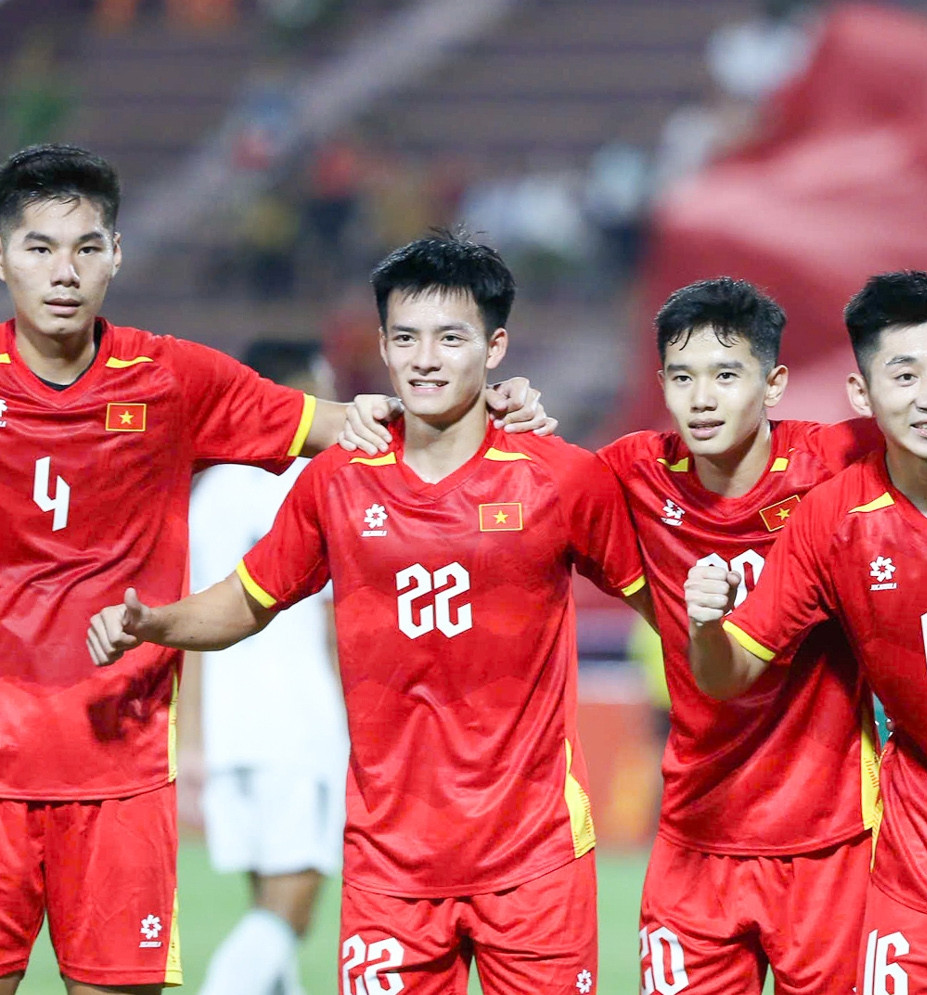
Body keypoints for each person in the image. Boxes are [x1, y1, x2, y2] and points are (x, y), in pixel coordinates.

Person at [0, 145, 544, 995]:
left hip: (120, 773)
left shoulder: (171, 378)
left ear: (116, 256)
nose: (63, 271)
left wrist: (487, 405)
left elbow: (346, 424)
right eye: (39, 247)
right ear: (4, 256)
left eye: (86, 247)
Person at [84, 233, 642, 995]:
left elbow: (663, 603)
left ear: (496, 347)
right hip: (389, 864)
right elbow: (247, 599)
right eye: (405, 337)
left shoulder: (561, 479)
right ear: (380, 345)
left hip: (533, 857)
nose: (425, 359)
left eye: (451, 338)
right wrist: (156, 623)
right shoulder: (338, 478)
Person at [595, 276, 927, 994]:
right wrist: (488, 410)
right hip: (696, 823)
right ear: (660, 384)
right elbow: (534, 481)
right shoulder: (630, 471)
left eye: (726, 374)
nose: (704, 398)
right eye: (684, 378)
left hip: (837, 829)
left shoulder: (833, 460)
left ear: (774, 383)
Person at [188, 340, 349, 995]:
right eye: (323, 382)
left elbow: (191, 616)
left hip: (231, 724)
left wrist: (192, 736)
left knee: (265, 897)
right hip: (299, 716)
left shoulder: (213, 489)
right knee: (292, 906)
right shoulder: (310, 480)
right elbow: (331, 624)